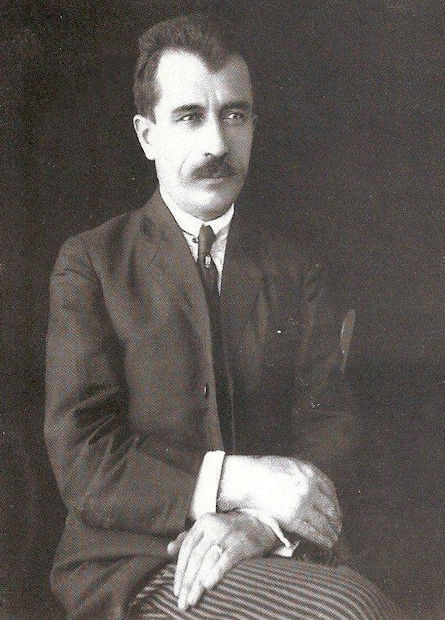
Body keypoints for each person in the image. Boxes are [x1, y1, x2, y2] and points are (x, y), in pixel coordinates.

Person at [45, 12, 403, 620]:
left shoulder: (295, 265)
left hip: (271, 547)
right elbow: (85, 457)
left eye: (235, 115)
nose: (216, 143)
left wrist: (260, 524)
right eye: (189, 117)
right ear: (147, 136)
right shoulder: (92, 264)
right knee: (349, 611)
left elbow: (331, 427)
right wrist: (239, 482)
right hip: (138, 564)